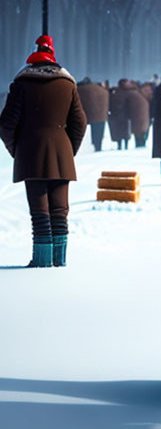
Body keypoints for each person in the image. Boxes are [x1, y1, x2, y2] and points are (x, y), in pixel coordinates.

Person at [0, 35, 86, 267]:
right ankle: (60, 260)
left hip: (30, 151)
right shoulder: (68, 83)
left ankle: (41, 261)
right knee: (60, 210)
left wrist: (16, 149)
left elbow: (7, 123)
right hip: (61, 151)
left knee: (40, 212)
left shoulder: (22, 83)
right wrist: (69, 149)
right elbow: (80, 122)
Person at [77, 77, 110, 152]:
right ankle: (98, 146)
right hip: (101, 115)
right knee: (98, 132)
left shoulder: (80, 89)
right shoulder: (101, 90)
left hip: (87, 114)